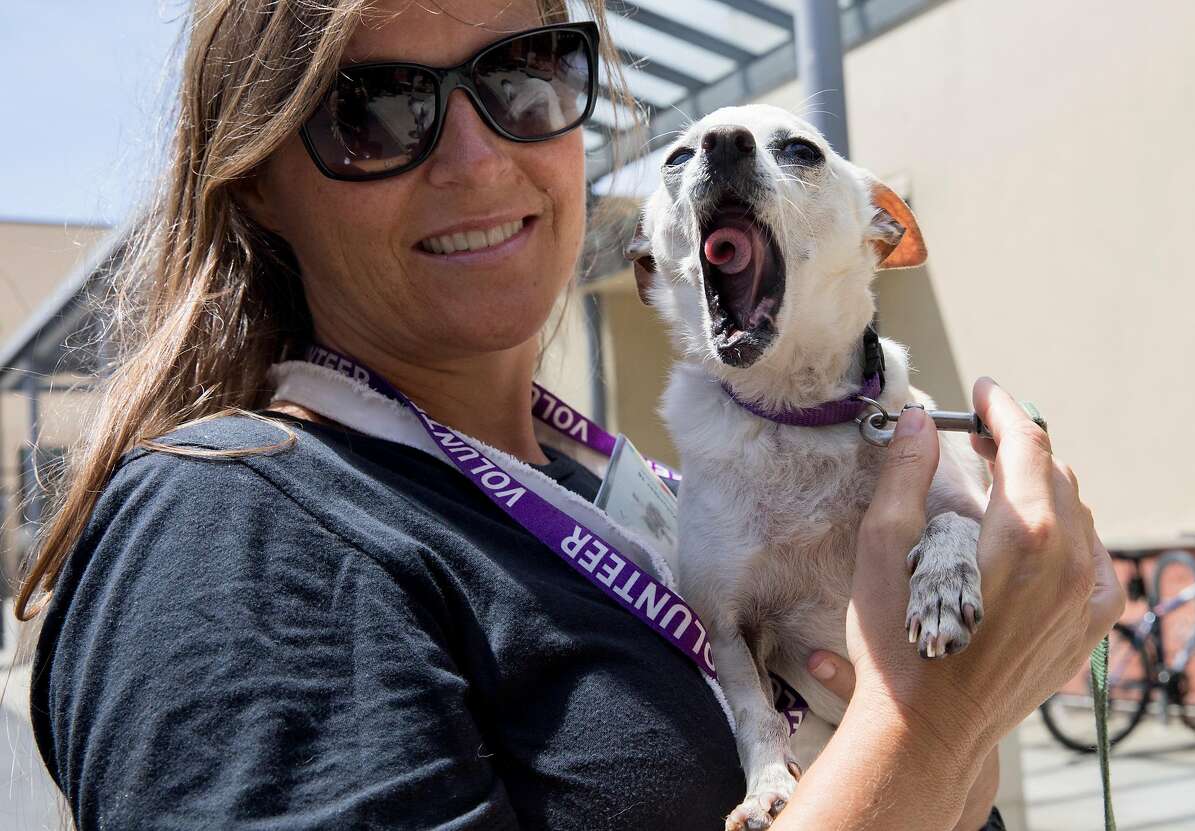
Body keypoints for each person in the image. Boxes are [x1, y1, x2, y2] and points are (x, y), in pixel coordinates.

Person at [18, 1, 1123, 829]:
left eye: (527, 76)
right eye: (375, 109)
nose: (477, 156)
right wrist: (927, 727)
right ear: (256, 177)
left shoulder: (617, 486)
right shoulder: (233, 539)